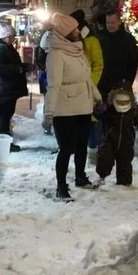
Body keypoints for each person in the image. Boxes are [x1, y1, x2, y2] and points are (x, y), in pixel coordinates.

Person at [42, 13, 102, 202]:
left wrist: (97, 97)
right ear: (66, 32)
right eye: (74, 29)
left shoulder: (77, 50)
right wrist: (49, 113)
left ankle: (80, 177)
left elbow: (86, 78)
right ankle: (61, 187)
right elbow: (53, 86)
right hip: (64, 110)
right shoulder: (56, 54)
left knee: (82, 145)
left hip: (83, 107)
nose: (78, 31)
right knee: (66, 148)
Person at [94, 87, 138, 186]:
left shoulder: (133, 109)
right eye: (119, 102)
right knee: (104, 159)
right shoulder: (109, 109)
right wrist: (98, 110)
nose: (122, 104)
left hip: (127, 141)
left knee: (125, 162)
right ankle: (101, 176)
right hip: (109, 139)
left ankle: (124, 183)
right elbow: (100, 116)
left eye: (125, 102)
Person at [0, 24, 28, 152]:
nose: (14, 39)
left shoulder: (4, 47)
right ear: (6, 36)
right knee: (4, 116)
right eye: (12, 36)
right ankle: (5, 144)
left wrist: (23, 67)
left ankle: (7, 142)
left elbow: (9, 63)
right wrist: (17, 69)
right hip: (3, 88)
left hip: (6, 88)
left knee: (6, 116)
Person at [70, 10, 104, 154]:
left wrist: (90, 82)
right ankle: (80, 148)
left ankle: (92, 150)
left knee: (91, 120)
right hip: (74, 88)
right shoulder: (70, 41)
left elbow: (98, 65)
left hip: (89, 87)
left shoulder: (91, 40)